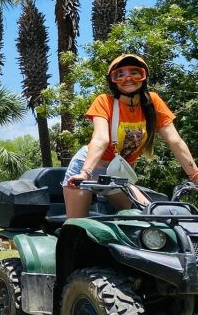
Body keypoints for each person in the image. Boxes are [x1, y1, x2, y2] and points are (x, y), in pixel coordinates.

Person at [63, 53, 198, 218]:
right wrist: (85, 173)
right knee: (76, 226)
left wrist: (195, 176)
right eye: (120, 74)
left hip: (117, 174)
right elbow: (100, 139)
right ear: (113, 81)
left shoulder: (153, 102)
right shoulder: (104, 101)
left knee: (150, 217)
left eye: (134, 72)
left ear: (143, 76)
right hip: (88, 166)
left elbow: (175, 141)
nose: (128, 78)